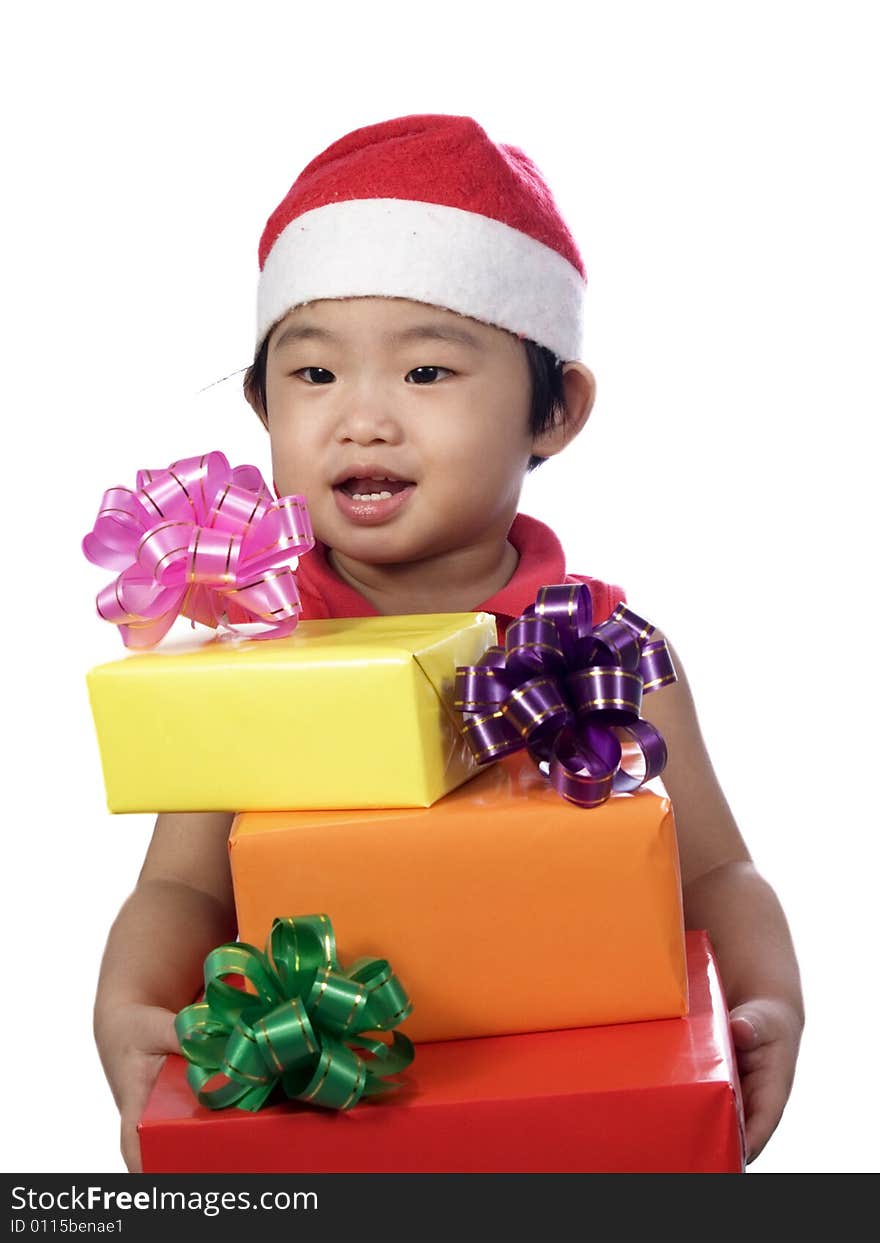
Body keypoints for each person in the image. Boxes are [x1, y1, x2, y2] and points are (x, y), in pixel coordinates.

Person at [93, 113, 803, 1173]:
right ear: (261, 405)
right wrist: (132, 1006)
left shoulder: (603, 648)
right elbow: (183, 888)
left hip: (573, 1127)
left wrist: (766, 1001)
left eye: (426, 374)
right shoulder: (251, 658)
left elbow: (715, 868)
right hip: (326, 1122)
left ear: (554, 409)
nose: (363, 419)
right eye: (315, 375)